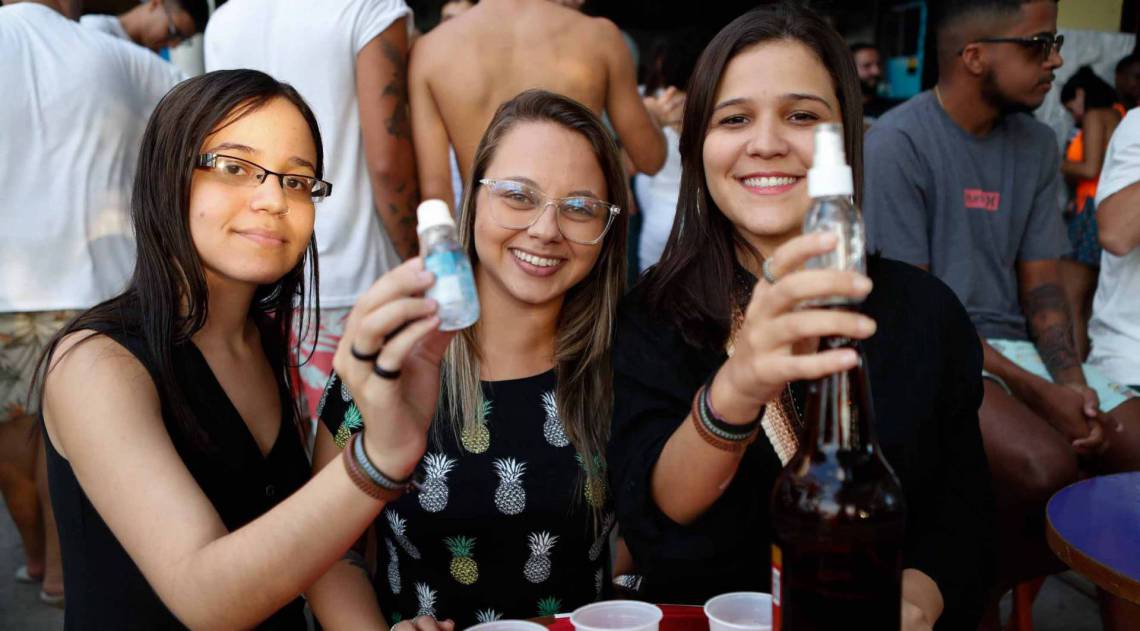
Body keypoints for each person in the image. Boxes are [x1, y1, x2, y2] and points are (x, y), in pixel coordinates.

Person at [608, 5, 995, 631]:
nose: (766, 143)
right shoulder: (652, 316)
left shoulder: (927, 312)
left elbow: (963, 513)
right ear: (698, 144)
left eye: (803, 116)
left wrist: (918, 599)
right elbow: (654, 520)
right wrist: (739, 386)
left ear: (848, 138)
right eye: (734, 118)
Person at [37, 69, 454, 629]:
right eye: (234, 168)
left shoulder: (259, 340)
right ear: (167, 175)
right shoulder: (96, 363)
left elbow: (304, 543)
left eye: (297, 181)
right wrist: (377, 460)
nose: (273, 199)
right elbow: (205, 597)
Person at [862, 0, 1140, 618]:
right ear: (974, 55)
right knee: (1047, 466)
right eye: (1040, 44)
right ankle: (971, 588)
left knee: (1133, 445)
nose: (1057, 60)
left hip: (1013, 347)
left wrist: (1071, 383)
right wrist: (1040, 394)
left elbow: (1043, 288)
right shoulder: (897, 143)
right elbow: (922, 318)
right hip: (935, 352)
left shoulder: (1038, 144)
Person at [311, 89, 629, 629]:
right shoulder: (391, 355)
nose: (545, 230)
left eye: (579, 208)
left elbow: (651, 529)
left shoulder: (626, 359)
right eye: (518, 196)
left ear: (607, 228)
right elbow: (327, 548)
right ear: (473, 198)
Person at [0, 0, 184, 606]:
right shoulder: (118, 59)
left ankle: (34, 558)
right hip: (92, 290)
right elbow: (191, 121)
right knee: (71, 441)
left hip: (5, 290)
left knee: (13, 440)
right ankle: (60, 575)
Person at [205, 0, 420, 425]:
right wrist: (419, 258)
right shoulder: (370, 8)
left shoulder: (225, 20)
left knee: (280, 449)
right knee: (354, 444)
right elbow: (387, 162)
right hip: (357, 283)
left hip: (254, 283)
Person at [408, 0, 666, 209]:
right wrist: (654, 116)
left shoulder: (431, 50)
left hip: (487, 233)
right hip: (574, 231)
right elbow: (650, 159)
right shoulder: (600, 37)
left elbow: (436, 194)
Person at [1059, 66, 1124, 359]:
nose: (1073, 114)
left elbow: (1090, 168)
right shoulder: (1119, 114)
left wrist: (1051, 160)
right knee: (1087, 302)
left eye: (1071, 106)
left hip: (1089, 212)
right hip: (1105, 208)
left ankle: (1073, 369)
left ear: (1081, 93)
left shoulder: (1096, 115)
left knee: (1071, 299)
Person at [633, 30, 702, 274]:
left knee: (649, 289)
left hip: (659, 217)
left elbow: (631, 165)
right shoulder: (713, 108)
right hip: (700, 219)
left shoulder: (649, 106)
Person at [80, 0, 207, 52]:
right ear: (156, 4)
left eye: (181, 40)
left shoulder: (151, 59)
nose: (173, 45)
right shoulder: (95, 30)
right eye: (172, 32)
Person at [851, 42, 903, 121]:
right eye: (867, 65)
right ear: (849, 70)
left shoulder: (891, 109)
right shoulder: (840, 110)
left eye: (879, 64)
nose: (876, 71)